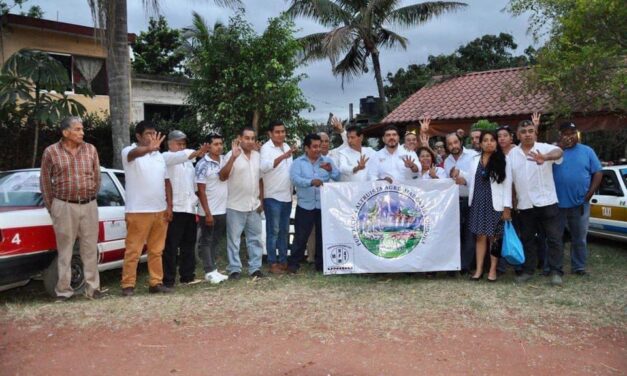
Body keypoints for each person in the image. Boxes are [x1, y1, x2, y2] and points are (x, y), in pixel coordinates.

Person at [40, 116, 102, 301]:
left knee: (90, 249)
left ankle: (93, 289)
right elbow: (44, 181)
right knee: (65, 250)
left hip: (89, 204)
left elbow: (97, 177)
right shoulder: (51, 152)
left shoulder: (91, 149)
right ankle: (64, 291)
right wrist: (54, 208)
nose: (82, 133)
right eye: (77, 129)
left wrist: (91, 197)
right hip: (64, 206)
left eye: (82, 129)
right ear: (65, 132)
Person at [509, 118, 564, 285]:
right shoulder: (512, 154)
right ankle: (528, 270)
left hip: (547, 202)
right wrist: (512, 201)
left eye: (530, 131)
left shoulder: (545, 148)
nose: (527, 135)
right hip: (525, 205)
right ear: (518, 135)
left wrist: (545, 157)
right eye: (523, 132)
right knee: (528, 239)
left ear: (535, 132)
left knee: (554, 238)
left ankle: (556, 272)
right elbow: (510, 181)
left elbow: (559, 152)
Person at [121, 120, 173, 296]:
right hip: (137, 210)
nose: (152, 137)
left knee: (157, 250)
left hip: (159, 210)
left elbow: (166, 182)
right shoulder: (128, 152)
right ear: (138, 136)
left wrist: (169, 206)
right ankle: (128, 285)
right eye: (148, 134)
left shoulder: (159, 156)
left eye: (154, 133)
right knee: (133, 251)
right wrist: (149, 149)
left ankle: (155, 283)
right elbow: (135, 153)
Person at [553, 121, 602, 276]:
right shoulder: (554, 151)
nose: (570, 136)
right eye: (566, 133)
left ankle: (578, 267)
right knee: (555, 238)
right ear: (560, 135)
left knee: (579, 237)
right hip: (556, 204)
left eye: (573, 133)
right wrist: (560, 147)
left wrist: (590, 193)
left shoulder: (587, 151)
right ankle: (555, 267)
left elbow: (598, 172)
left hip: (580, 203)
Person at [161, 130, 209, 288]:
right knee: (171, 246)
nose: (182, 147)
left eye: (184, 144)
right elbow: (183, 155)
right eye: (179, 144)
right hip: (175, 208)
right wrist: (197, 152)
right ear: (170, 144)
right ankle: (168, 279)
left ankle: (187, 276)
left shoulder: (189, 162)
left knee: (188, 244)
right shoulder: (166, 157)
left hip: (189, 208)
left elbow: (193, 184)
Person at [465, 131, 512, 282]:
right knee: (480, 237)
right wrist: (458, 175)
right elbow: (470, 179)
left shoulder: (503, 159)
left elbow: (508, 185)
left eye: (492, 140)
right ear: (480, 143)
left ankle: (492, 270)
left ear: (496, 142)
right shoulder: (474, 160)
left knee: (495, 238)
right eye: (485, 140)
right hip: (478, 202)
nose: (489, 143)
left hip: (496, 204)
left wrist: (507, 208)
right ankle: (479, 270)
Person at [289, 133, 340, 272]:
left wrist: (331, 170)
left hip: (323, 205)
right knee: (300, 237)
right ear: (306, 148)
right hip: (305, 206)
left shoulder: (327, 161)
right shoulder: (298, 163)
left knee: (323, 236)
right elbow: (295, 179)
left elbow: (337, 176)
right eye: (315, 146)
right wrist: (310, 182)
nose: (318, 149)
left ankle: (321, 265)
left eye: (320, 146)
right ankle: (293, 264)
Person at [219, 127, 265, 280]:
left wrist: (261, 201)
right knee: (234, 239)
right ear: (240, 138)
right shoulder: (230, 155)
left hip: (254, 205)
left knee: (255, 239)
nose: (250, 141)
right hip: (235, 205)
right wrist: (233, 157)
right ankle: (234, 269)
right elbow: (222, 176)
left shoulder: (258, 156)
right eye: (247, 138)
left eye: (252, 138)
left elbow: (260, 180)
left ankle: (255, 268)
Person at [260, 120, 296, 274]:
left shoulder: (286, 146)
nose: (281, 134)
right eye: (277, 132)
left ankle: (283, 261)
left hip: (287, 196)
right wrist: (283, 156)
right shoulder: (266, 148)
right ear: (270, 133)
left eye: (283, 131)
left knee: (284, 231)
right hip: (272, 196)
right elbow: (264, 167)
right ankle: (272, 262)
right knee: (273, 231)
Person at [195, 133, 229, 284]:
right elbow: (200, 190)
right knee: (206, 241)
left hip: (222, 209)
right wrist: (207, 213)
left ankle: (214, 270)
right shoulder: (202, 164)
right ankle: (208, 271)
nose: (219, 146)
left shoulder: (224, 160)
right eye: (215, 144)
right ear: (208, 146)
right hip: (208, 211)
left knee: (215, 241)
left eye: (221, 143)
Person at [444, 132, 479, 275]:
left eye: (455, 142)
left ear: (460, 141)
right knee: (455, 234)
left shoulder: (472, 156)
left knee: (470, 235)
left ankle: (466, 266)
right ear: (447, 146)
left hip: (471, 200)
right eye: (450, 144)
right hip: (454, 202)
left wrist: (463, 178)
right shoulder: (447, 162)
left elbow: (477, 176)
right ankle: (454, 265)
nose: (454, 146)